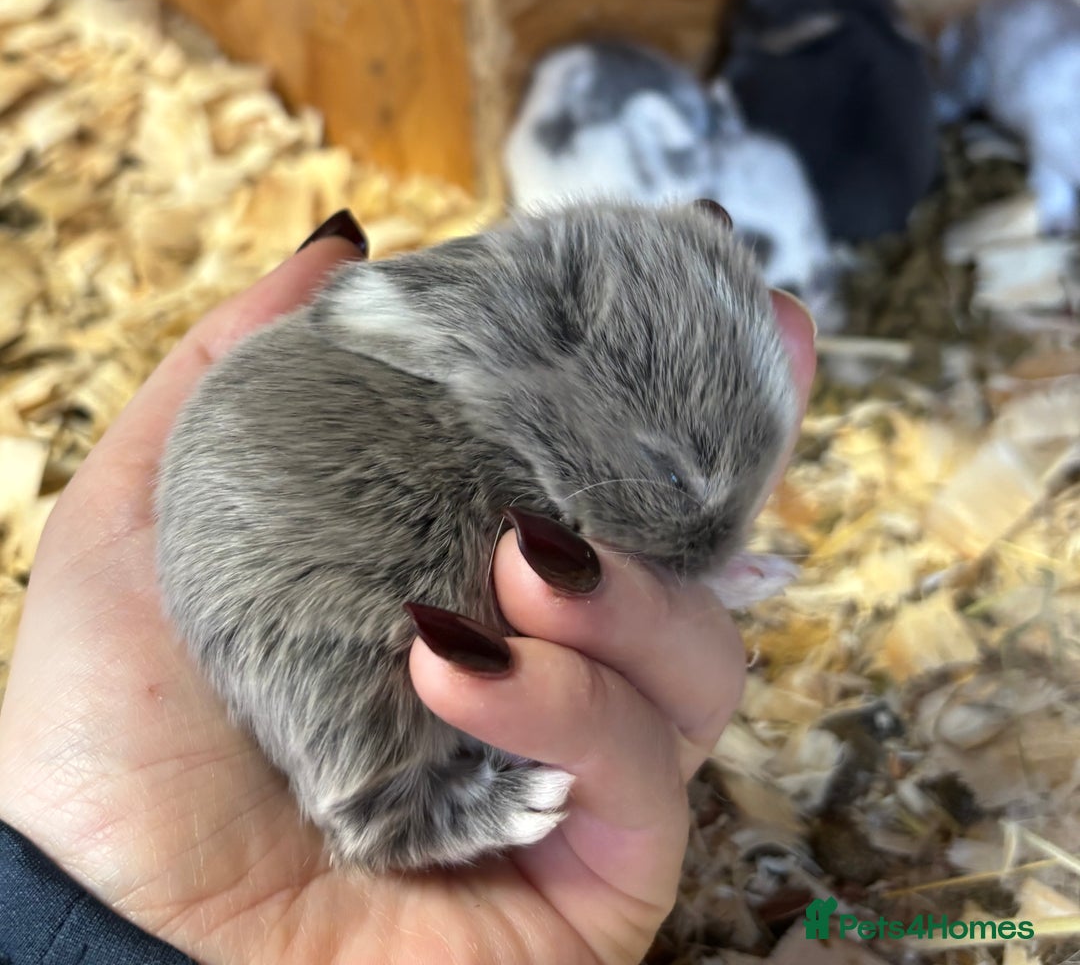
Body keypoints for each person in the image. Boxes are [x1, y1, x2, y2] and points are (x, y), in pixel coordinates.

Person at [0, 211, 816, 965]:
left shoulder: (548, 371)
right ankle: (400, 812)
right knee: (353, 678)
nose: (709, 527)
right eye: (669, 475)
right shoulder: (494, 342)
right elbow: (375, 307)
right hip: (324, 566)